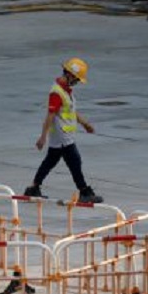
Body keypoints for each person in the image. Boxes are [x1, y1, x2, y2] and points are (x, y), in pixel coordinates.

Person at [24, 57, 103, 204]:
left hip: (62, 137)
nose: (78, 82)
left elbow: (71, 111)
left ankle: (33, 187)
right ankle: (84, 191)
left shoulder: (66, 91)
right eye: (77, 79)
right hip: (62, 137)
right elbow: (50, 116)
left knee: (50, 162)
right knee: (75, 162)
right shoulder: (57, 92)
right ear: (70, 75)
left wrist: (84, 123)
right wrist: (42, 137)